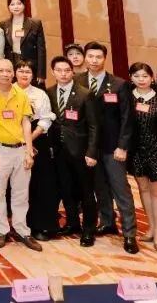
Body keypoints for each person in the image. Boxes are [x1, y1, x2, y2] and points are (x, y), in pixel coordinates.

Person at [76, 41, 138, 253]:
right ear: (85, 58)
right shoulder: (78, 80)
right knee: (100, 188)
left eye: (98, 57)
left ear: (104, 59)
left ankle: (129, 233)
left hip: (113, 147)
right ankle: (108, 221)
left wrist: (123, 146)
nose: (94, 61)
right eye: (90, 56)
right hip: (90, 148)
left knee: (121, 190)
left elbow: (127, 118)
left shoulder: (119, 85)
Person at [0, 59, 42, 251]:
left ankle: (22, 230)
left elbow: (26, 123)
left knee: (21, 193)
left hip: (20, 149)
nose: (6, 74)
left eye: (9, 71)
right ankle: (1, 230)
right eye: (1, 70)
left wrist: (29, 151)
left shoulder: (21, 94)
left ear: (13, 73)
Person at [47, 56, 99, 247]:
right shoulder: (49, 92)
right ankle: (72, 223)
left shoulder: (85, 94)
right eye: (59, 70)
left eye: (67, 70)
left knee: (86, 192)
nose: (63, 74)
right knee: (66, 189)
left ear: (72, 72)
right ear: (53, 72)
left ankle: (88, 230)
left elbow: (94, 126)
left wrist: (92, 152)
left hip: (81, 151)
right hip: (59, 151)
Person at [126, 62, 157, 253]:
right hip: (135, 152)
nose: (141, 80)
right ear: (131, 77)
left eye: (145, 76)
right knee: (143, 189)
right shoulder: (127, 98)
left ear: (152, 78)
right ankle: (150, 227)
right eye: (137, 76)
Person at [16, 61, 59, 242]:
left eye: (28, 72)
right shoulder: (9, 91)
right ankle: (18, 225)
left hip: (37, 139)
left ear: (33, 75)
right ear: (14, 73)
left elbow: (46, 119)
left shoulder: (40, 94)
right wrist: (21, 142)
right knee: (18, 187)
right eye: (20, 71)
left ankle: (39, 225)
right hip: (12, 141)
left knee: (40, 185)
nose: (24, 74)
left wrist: (29, 140)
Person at [0, 0, 46, 85]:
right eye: (12, 4)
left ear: (24, 5)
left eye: (19, 3)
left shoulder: (35, 23)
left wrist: (41, 73)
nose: (16, 7)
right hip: (12, 65)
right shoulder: (4, 24)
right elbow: (4, 48)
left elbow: (41, 49)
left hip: (30, 66)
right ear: (8, 7)